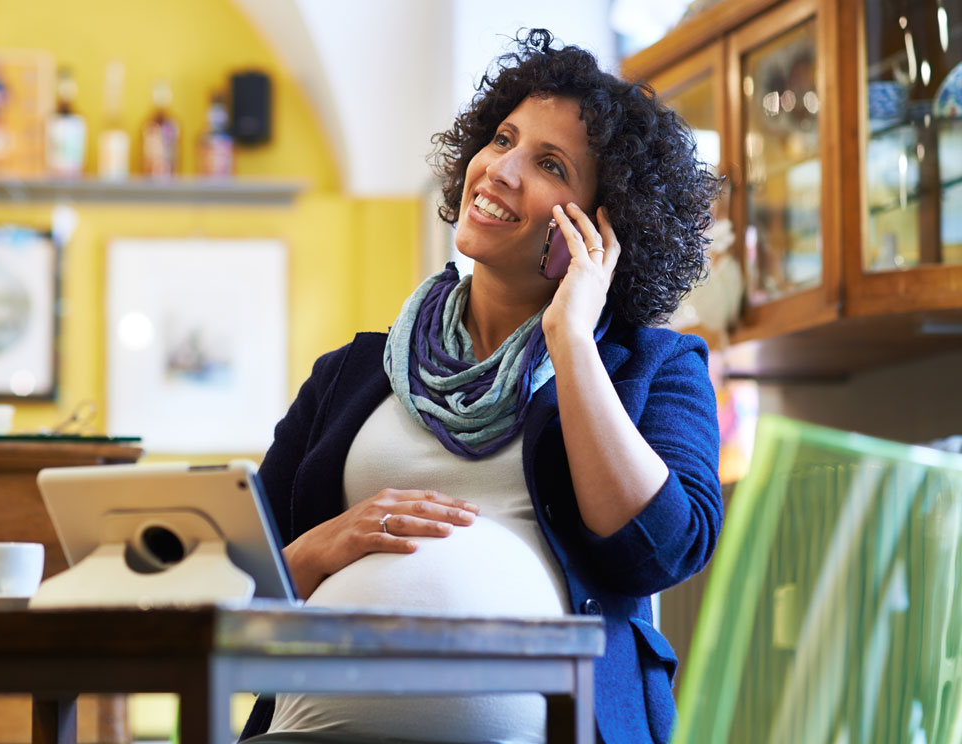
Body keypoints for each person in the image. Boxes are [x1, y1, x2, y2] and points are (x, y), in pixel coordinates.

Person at [240, 28, 722, 744]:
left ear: (603, 226)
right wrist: (318, 550)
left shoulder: (652, 366)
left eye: (549, 163)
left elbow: (657, 550)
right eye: (502, 138)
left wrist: (571, 340)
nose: (499, 169)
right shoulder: (349, 374)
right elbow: (233, 587)